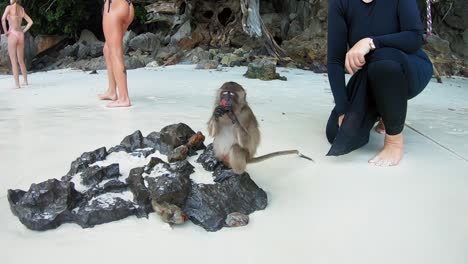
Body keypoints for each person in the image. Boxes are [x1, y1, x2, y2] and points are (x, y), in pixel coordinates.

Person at [327, 0, 433, 166]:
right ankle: (385, 110)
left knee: (384, 62)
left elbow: (415, 37)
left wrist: (371, 42)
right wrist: (343, 110)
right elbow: (334, 60)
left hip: (407, 68)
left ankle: (394, 141)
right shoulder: (340, 3)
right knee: (336, 133)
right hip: (370, 73)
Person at [98, 0, 134, 108]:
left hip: (114, 7)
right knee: (107, 49)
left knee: (115, 53)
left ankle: (124, 98)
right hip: (127, 6)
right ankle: (112, 91)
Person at [1, 0, 33, 89]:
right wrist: (24, 30)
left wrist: (6, 32)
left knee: (13, 61)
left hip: (12, 34)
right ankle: (25, 81)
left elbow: (3, 19)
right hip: (20, 35)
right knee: (21, 60)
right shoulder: (21, 9)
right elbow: (30, 22)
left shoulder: (9, 8)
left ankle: (17, 84)